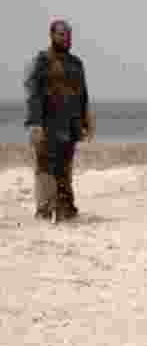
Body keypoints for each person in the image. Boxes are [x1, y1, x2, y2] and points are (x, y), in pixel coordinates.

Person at [24, 19, 95, 222]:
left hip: (70, 125)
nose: (66, 38)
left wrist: (86, 122)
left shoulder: (76, 63)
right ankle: (45, 209)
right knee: (45, 167)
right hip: (47, 124)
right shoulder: (42, 61)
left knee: (65, 167)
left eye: (69, 34)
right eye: (62, 34)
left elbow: (83, 95)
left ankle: (65, 208)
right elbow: (34, 93)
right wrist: (35, 123)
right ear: (52, 35)